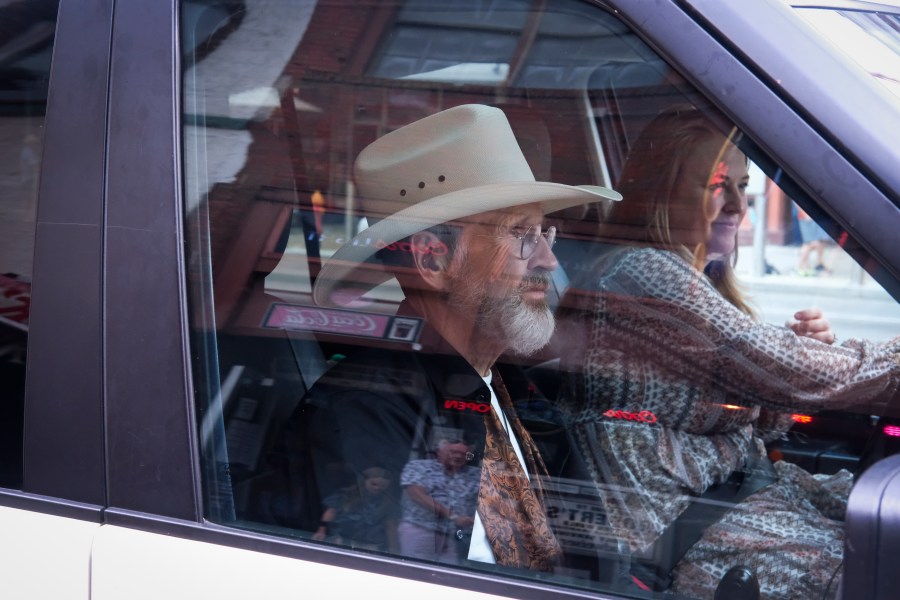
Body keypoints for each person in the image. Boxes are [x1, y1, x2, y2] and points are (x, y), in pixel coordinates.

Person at [555, 105, 900, 599]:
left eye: (743, 186)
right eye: (719, 184)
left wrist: (791, 363)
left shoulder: (696, 282)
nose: (738, 204)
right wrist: (872, 363)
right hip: (688, 536)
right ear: (662, 189)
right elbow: (765, 361)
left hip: (740, 501)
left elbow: (754, 395)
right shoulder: (640, 273)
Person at [284, 104, 622, 571]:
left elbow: (590, 552)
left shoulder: (509, 388)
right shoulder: (364, 412)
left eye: (545, 232)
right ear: (435, 261)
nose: (546, 259)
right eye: (520, 234)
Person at [397, 439, 481, 563]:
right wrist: (453, 516)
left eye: (464, 454)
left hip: (453, 537)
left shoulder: (475, 475)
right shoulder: (419, 467)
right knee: (415, 571)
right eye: (453, 451)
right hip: (422, 529)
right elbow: (417, 495)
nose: (458, 456)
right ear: (439, 452)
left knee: (448, 576)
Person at [312, 466, 398, 553]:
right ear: (363, 481)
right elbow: (331, 512)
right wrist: (321, 530)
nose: (377, 488)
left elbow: (390, 526)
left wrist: (393, 548)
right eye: (374, 484)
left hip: (371, 545)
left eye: (383, 486)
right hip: (342, 540)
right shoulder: (347, 495)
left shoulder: (387, 504)